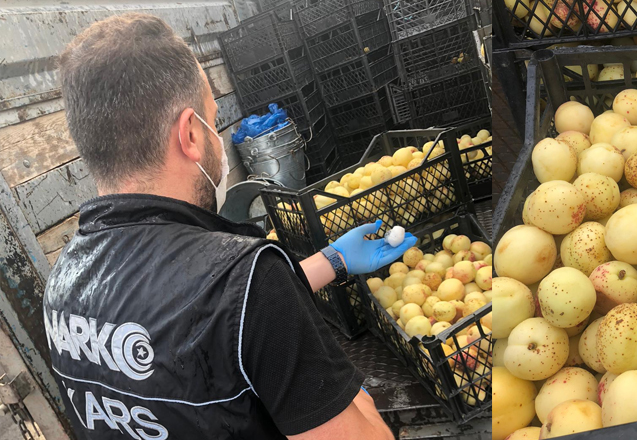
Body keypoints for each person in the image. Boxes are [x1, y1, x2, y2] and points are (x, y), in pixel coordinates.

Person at [43, 13, 413, 440]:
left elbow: (198, 329)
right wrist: (352, 394)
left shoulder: (64, 284)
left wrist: (334, 260)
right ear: (191, 135)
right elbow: (234, 302)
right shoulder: (247, 274)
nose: (219, 138)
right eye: (213, 118)